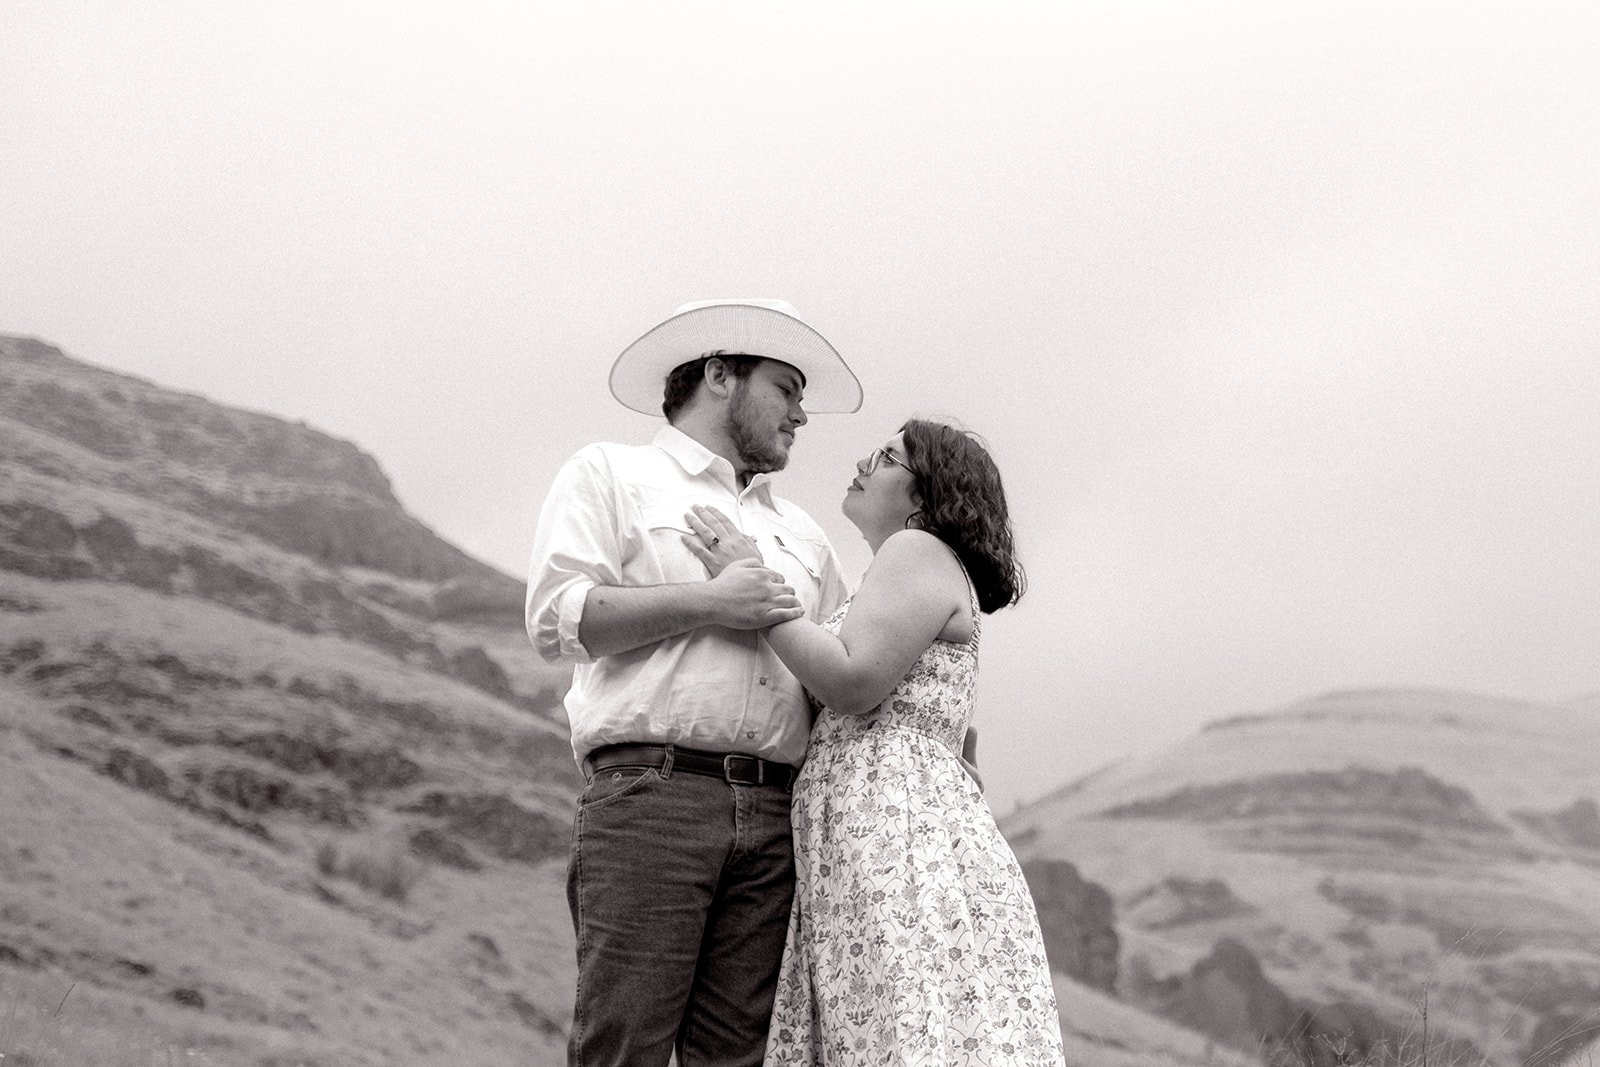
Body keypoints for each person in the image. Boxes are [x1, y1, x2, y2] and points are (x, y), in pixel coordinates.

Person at [524, 298, 861, 1067]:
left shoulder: (806, 537)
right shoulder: (610, 473)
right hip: (653, 799)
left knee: (741, 1058)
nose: (801, 414)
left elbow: (833, 669)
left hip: (776, 817)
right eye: (786, 388)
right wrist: (714, 601)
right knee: (624, 1046)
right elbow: (557, 617)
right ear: (718, 374)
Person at [682, 420, 1067, 1066]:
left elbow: (852, 681)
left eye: (888, 458)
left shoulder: (916, 549)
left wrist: (752, 583)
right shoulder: (907, 568)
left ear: (925, 498)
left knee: (896, 1032)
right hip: (879, 827)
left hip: (890, 835)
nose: (864, 462)